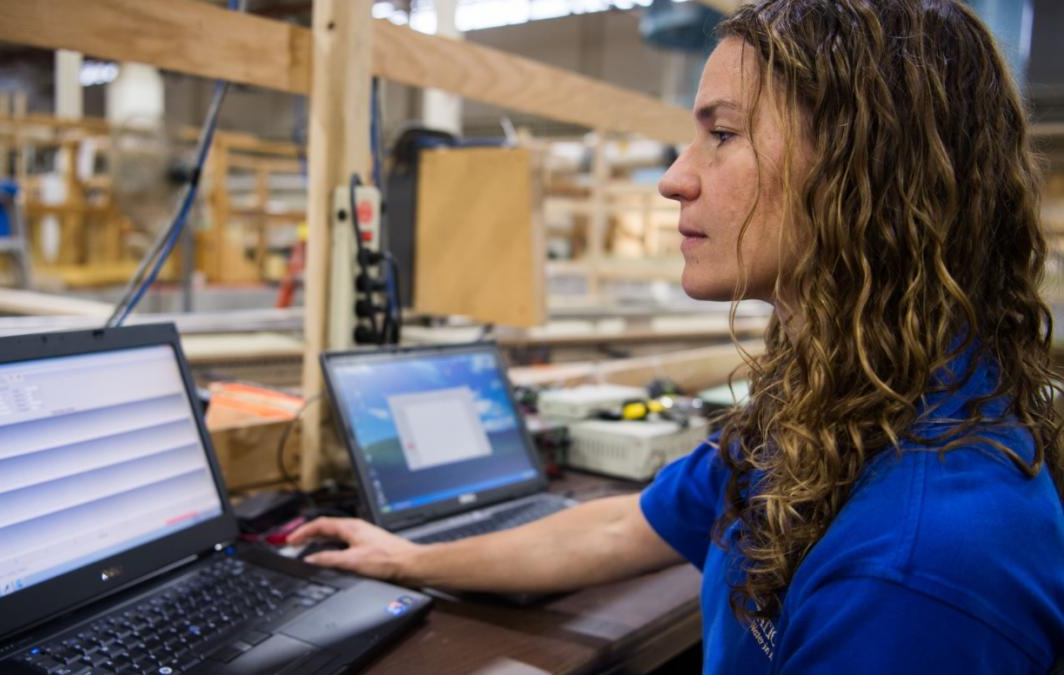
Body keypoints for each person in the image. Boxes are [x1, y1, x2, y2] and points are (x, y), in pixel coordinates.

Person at [289, 0, 1064, 671]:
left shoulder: (912, 569)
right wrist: (406, 558)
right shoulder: (838, 406)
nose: (673, 177)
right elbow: (621, 525)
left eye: (722, 133)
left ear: (866, 164)